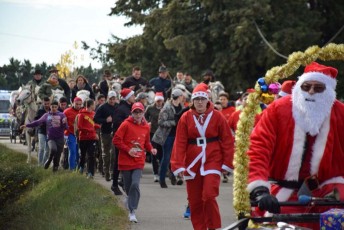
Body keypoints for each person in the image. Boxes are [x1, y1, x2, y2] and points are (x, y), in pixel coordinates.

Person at [247, 62, 344, 230]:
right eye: (306, 86)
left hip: (328, 192)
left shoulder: (340, 113)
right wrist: (260, 189)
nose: (311, 91)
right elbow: (258, 147)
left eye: (318, 88)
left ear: (328, 91)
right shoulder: (278, 109)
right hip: (284, 192)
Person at [170, 83, 234, 230]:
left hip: (213, 159)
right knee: (195, 201)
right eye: (196, 99)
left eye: (202, 99)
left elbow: (227, 140)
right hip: (193, 162)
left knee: (209, 195)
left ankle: (214, 227)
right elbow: (179, 142)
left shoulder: (217, 116)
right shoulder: (185, 117)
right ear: (192, 101)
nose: (199, 102)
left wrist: (227, 163)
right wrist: (177, 165)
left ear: (207, 100)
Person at [113, 102, 157, 223]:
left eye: (140, 112)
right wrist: (128, 150)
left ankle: (132, 211)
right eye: (135, 112)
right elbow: (116, 140)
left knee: (135, 185)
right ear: (131, 113)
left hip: (138, 161)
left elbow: (146, 142)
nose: (138, 115)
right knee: (128, 187)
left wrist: (151, 149)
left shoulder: (146, 127)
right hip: (125, 161)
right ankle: (129, 199)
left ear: (143, 113)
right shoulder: (125, 125)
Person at [21, 100, 67, 172]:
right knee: (53, 149)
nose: (54, 108)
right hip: (51, 138)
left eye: (55, 107)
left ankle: (55, 170)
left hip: (60, 138)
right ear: (50, 107)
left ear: (57, 107)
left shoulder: (62, 115)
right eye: (52, 107)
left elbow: (66, 127)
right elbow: (37, 122)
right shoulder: (46, 115)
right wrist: (27, 125)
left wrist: (64, 123)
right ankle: (49, 159)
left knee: (58, 156)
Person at [152, 88, 184, 188]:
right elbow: (161, 122)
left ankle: (174, 175)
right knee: (166, 158)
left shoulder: (180, 106)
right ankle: (162, 180)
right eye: (181, 96)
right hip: (167, 136)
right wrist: (173, 122)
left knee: (176, 158)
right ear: (179, 97)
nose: (182, 98)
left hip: (177, 135)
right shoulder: (167, 107)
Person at [111, 88, 136, 195]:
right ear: (127, 98)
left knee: (128, 161)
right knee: (118, 162)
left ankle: (123, 182)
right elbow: (117, 124)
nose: (134, 97)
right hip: (121, 139)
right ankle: (115, 184)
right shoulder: (121, 109)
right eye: (132, 96)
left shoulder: (130, 108)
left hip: (129, 139)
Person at [94, 91, 119, 183]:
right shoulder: (102, 107)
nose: (112, 101)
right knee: (106, 153)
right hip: (105, 132)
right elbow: (95, 119)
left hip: (115, 133)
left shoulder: (118, 107)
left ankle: (112, 173)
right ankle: (106, 172)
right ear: (108, 98)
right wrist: (105, 120)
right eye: (111, 99)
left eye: (114, 99)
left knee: (114, 153)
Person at [77, 99, 100, 178]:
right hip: (83, 138)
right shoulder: (81, 115)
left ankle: (90, 172)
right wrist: (89, 130)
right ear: (90, 105)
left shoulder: (94, 114)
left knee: (91, 155)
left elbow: (94, 124)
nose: (95, 106)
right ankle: (81, 167)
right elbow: (79, 126)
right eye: (94, 104)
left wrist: (99, 126)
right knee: (83, 155)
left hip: (92, 138)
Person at [144, 92, 164, 182]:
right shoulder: (150, 108)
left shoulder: (165, 108)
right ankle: (155, 173)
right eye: (157, 101)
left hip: (162, 133)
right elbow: (144, 117)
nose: (159, 102)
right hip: (152, 133)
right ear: (155, 101)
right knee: (154, 153)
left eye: (160, 101)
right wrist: (148, 122)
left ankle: (161, 171)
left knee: (161, 154)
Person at [63, 97, 83, 170]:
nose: (78, 106)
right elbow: (62, 124)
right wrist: (64, 135)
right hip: (70, 134)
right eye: (77, 104)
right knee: (73, 151)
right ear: (73, 103)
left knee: (78, 153)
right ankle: (72, 169)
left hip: (80, 135)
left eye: (80, 104)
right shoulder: (67, 112)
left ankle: (78, 168)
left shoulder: (82, 112)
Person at [34, 96, 51, 166]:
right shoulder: (40, 111)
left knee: (47, 150)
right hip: (41, 131)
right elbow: (35, 120)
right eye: (45, 104)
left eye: (48, 103)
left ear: (50, 103)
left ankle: (44, 164)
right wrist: (39, 123)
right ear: (43, 103)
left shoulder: (52, 110)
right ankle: (39, 164)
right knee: (41, 148)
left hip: (50, 133)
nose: (46, 105)